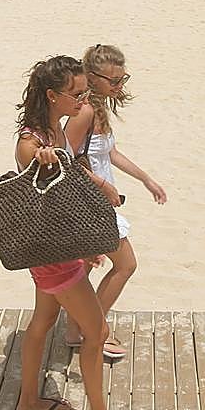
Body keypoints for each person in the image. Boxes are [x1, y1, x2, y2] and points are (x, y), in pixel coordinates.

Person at [12, 56, 139, 410]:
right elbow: (35, 174)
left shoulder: (50, 129)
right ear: (52, 96)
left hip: (53, 249)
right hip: (53, 256)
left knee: (43, 321)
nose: (84, 100)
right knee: (96, 331)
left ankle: (29, 401)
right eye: (76, 93)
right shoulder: (33, 142)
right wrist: (41, 160)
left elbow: (71, 180)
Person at [63, 45, 167, 363]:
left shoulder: (99, 108)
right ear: (93, 78)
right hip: (88, 205)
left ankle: (73, 332)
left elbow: (111, 154)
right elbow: (64, 158)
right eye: (114, 81)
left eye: (123, 79)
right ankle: (94, 329)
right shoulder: (84, 113)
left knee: (80, 270)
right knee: (125, 265)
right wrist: (103, 185)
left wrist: (146, 179)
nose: (120, 86)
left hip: (97, 202)